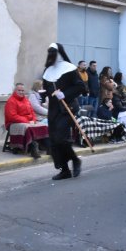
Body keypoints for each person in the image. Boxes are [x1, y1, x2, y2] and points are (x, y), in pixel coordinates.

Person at [42, 43, 86, 180]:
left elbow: (81, 87)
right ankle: (64, 170)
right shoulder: (47, 71)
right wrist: (43, 95)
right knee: (54, 142)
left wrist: (65, 94)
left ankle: (75, 159)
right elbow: (47, 90)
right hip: (54, 109)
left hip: (68, 108)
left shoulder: (69, 68)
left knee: (61, 138)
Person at [5, 83, 45, 159]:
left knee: (43, 125)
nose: (21, 92)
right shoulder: (11, 101)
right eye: (19, 90)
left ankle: (46, 146)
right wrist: (26, 121)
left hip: (27, 121)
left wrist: (33, 120)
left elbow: (32, 112)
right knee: (27, 127)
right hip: (13, 123)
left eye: (22, 90)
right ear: (15, 91)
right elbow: (12, 116)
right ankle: (33, 147)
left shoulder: (26, 100)